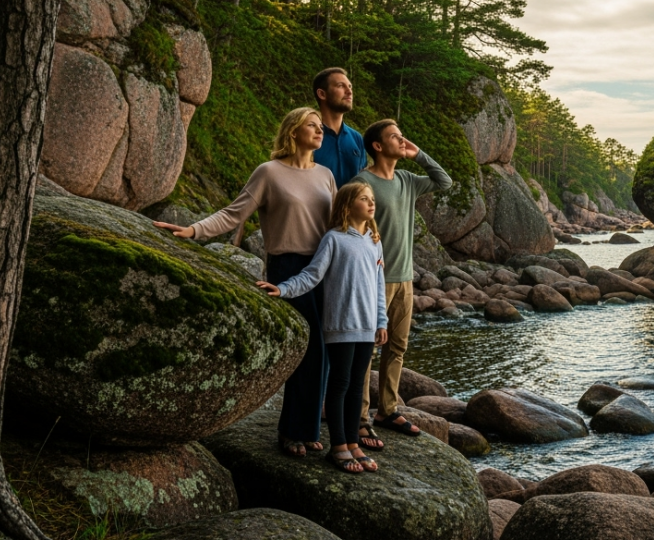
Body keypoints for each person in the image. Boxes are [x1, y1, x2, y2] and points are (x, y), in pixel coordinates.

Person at [155, 107, 336, 458]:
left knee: (324, 352)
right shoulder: (269, 173)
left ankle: (309, 428)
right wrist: (192, 231)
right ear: (293, 131)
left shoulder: (326, 175)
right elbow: (233, 214)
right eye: (312, 126)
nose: (320, 131)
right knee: (306, 348)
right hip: (287, 265)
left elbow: (338, 226)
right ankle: (291, 431)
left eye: (320, 127)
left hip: (324, 266)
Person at [257, 182, 389, 474]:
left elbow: (380, 284)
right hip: (341, 325)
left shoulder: (374, 240)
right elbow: (312, 275)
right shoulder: (334, 239)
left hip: (367, 327)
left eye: (372, 199)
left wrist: (382, 320)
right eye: (364, 199)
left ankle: (353, 442)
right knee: (340, 385)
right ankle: (338, 446)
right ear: (346, 204)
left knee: (358, 386)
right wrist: (282, 288)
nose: (371, 203)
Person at [353, 119, 452, 442]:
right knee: (366, 350)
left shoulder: (407, 180)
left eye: (402, 135)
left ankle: (388, 409)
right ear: (378, 146)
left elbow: (444, 181)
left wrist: (419, 154)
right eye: (395, 136)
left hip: (405, 278)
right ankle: (359, 416)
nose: (402, 139)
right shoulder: (362, 182)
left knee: (397, 347)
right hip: (374, 279)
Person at [311, 67, 366, 188]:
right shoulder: (308, 136)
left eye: (350, 86)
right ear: (322, 94)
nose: (349, 91)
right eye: (341, 86)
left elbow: (362, 184)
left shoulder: (357, 139)